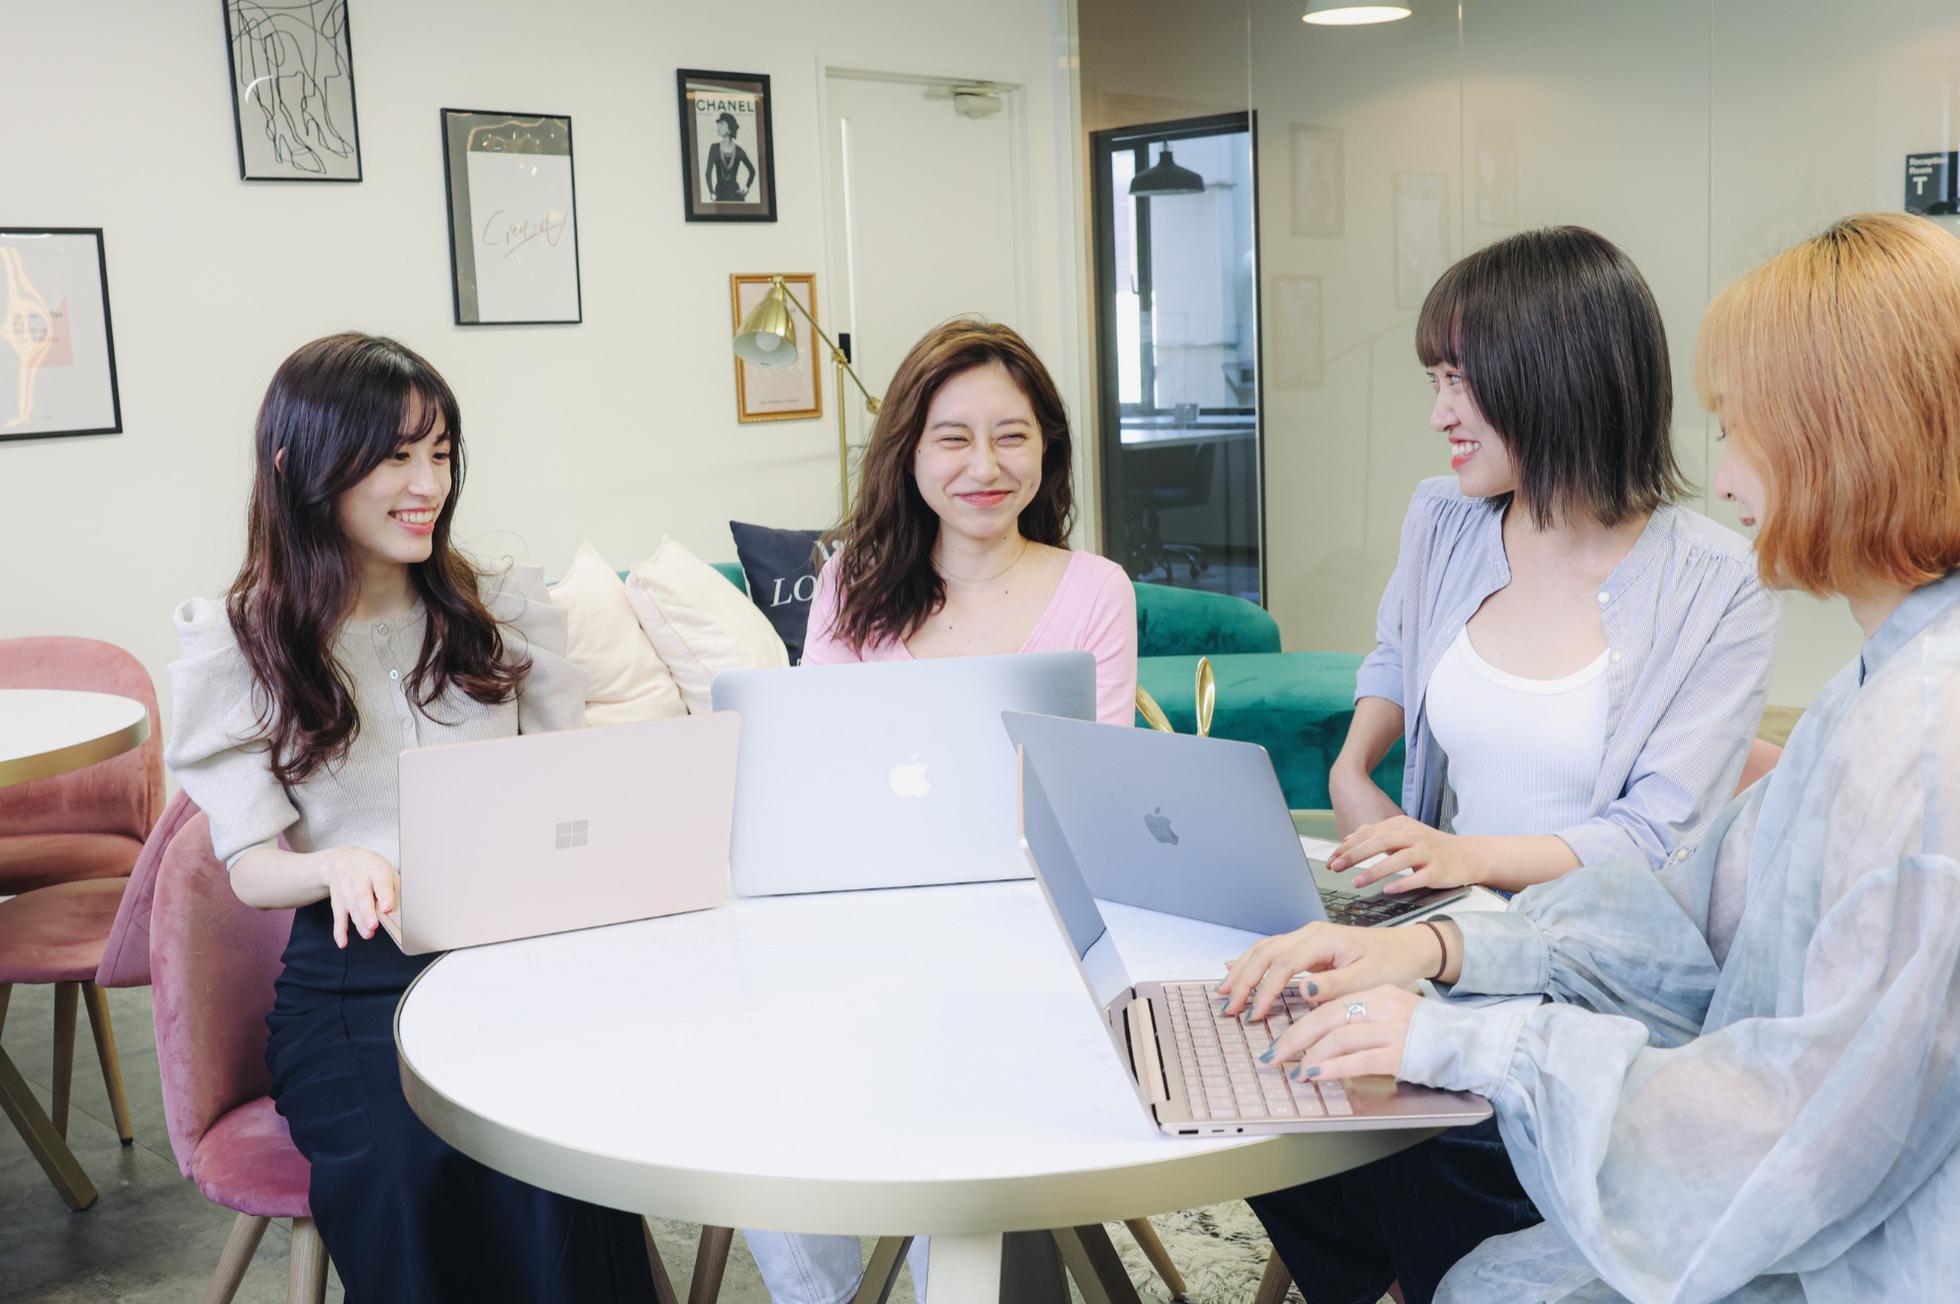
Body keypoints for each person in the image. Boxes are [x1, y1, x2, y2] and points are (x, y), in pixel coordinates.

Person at [1223, 211, 1960, 1302]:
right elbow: (1679, 917)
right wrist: (1439, 950)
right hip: (1546, 967)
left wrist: (1476, 1043)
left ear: (1841, 441)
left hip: (1830, 1253)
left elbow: (1811, 1118)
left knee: (1458, 1225)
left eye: (1737, 431)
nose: (1722, 479)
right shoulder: (1881, 683)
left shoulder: (1925, 730)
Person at [166, 333, 656, 1302]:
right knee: (406, 1170)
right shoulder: (242, 642)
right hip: (355, 985)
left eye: (439, 453)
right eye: (395, 456)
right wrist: (331, 864)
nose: (427, 483)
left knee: (561, 1154)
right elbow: (251, 866)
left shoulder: (496, 608)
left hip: (513, 963)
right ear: (300, 467)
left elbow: (570, 786)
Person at [746, 318, 1138, 1304]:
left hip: (1031, 933)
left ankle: (959, 1265)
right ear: (909, 452)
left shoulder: (1094, 590)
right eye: (953, 437)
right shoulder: (852, 583)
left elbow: (1098, 790)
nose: (984, 466)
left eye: (1011, 436)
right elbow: (814, 774)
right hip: (869, 926)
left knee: (951, 1082)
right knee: (755, 1067)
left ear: (1046, 448)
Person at [1325, 225, 1778, 899]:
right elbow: (1399, 650)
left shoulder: (1721, 582)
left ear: (1551, 379)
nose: (1438, 415)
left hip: (1594, 948)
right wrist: (1351, 771)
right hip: (1448, 922)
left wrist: (1462, 859)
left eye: (1458, 381)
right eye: (1435, 382)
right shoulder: (1440, 519)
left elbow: (1655, 835)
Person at [706, 111, 756, 202]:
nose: (718, 126)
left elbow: (752, 171)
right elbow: (708, 173)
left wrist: (746, 188)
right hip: (719, 194)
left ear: (730, 128)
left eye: (722, 124)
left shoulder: (739, 150)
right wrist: (711, 192)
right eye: (718, 124)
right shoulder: (714, 148)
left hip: (735, 195)